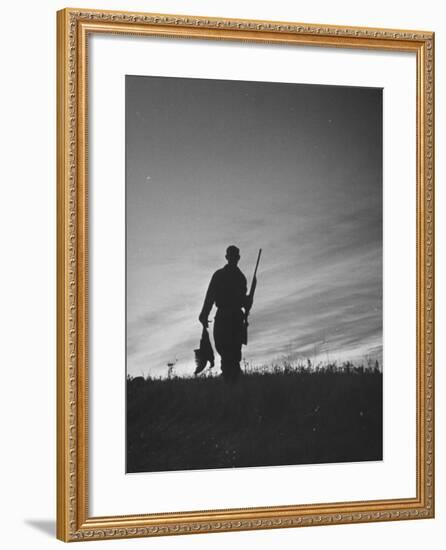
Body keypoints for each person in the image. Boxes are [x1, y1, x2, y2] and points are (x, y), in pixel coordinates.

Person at [199, 245, 252, 383]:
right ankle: (231, 381)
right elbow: (210, 297)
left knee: (233, 353)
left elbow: (242, 301)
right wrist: (204, 314)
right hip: (225, 317)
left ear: (237, 258)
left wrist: (247, 301)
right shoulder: (221, 276)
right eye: (231, 256)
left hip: (233, 318)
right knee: (225, 350)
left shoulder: (240, 278)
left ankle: (231, 383)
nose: (233, 258)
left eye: (235, 256)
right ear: (227, 257)